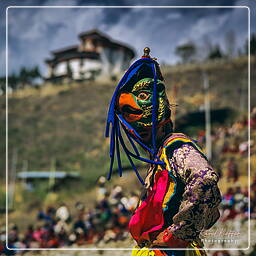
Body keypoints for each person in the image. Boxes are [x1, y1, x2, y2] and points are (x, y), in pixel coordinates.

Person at [105, 48, 222, 256]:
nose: (139, 135)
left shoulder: (176, 148)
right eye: (137, 132)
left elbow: (205, 182)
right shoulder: (159, 158)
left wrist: (176, 235)